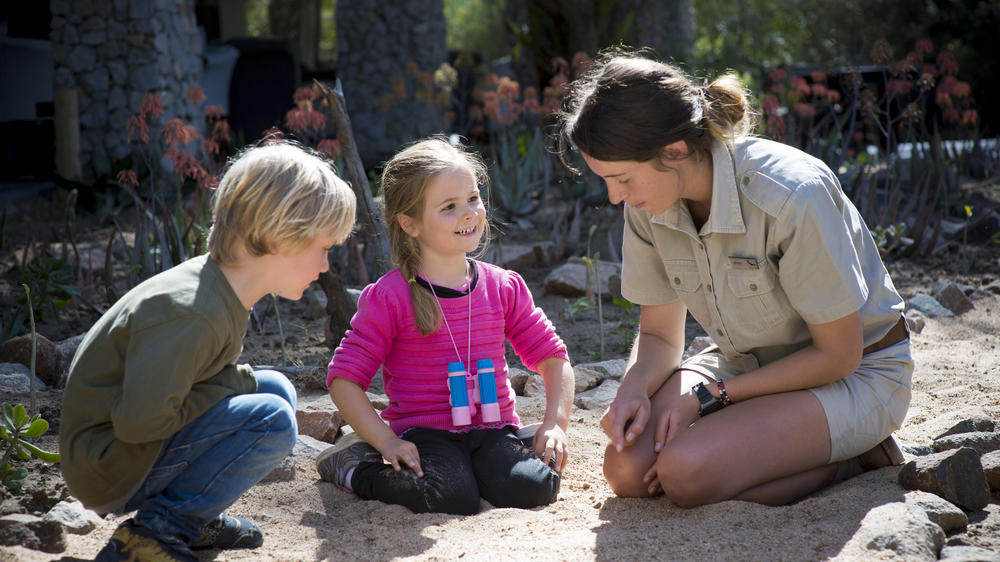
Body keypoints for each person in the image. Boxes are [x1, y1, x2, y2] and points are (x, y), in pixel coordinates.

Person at [556, 52, 912, 507]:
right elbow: (660, 336)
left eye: (622, 178)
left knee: (684, 473)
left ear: (676, 150)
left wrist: (711, 397)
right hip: (746, 364)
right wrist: (632, 391)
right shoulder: (647, 205)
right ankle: (770, 448)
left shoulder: (791, 194)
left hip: (856, 374)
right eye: (605, 180)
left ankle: (853, 457)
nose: (613, 197)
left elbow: (840, 354)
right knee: (625, 469)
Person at [59, 141, 357, 561]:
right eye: (324, 248)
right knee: (272, 420)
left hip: (127, 447)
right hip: (108, 465)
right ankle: (156, 531)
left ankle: (191, 517)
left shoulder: (220, 290)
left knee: (277, 389)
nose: (325, 265)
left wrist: (228, 384)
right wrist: (228, 385)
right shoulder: (194, 313)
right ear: (280, 235)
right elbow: (141, 423)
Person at [316, 137, 574, 515]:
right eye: (449, 207)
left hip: (492, 429)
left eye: (473, 198)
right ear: (410, 223)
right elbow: (343, 379)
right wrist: (387, 442)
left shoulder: (503, 286)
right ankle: (354, 467)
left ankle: (511, 449)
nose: (469, 213)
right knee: (451, 498)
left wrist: (554, 424)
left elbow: (554, 359)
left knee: (536, 487)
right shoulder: (390, 296)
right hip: (426, 435)